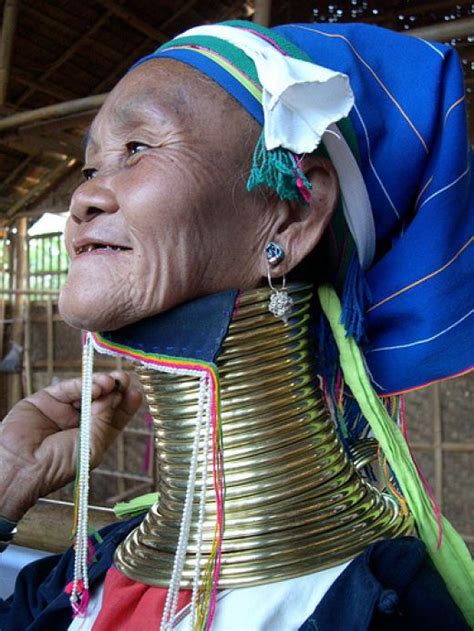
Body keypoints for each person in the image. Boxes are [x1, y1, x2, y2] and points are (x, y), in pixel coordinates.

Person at [0, 18, 473, 631]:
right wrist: (8, 483)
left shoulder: (377, 608)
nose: (82, 200)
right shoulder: (73, 583)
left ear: (290, 216)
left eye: (137, 149)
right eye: (91, 170)